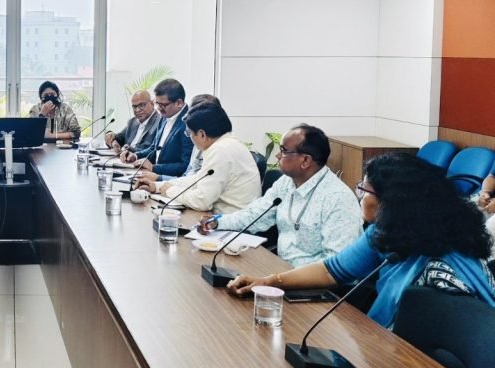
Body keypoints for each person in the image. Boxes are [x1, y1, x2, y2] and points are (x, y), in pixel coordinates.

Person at [227, 153, 495, 328]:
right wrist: (269, 282)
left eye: (364, 190)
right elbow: (331, 270)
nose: (360, 197)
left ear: (391, 202)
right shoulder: (386, 232)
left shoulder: (442, 272)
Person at [197, 124, 362, 266]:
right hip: (281, 270)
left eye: (283, 151)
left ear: (305, 161)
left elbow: (336, 264)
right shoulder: (286, 183)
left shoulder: (338, 199)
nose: (277, 156)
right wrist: (217, 222)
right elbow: (255, 215)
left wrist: (283, 279)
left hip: (314, 285)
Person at [135, 102, 260, 214]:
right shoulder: (228, 143)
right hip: (223, 218)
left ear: (202, 134)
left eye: (189, 133)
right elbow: (197, 180)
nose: (190, 138)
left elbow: (201, 201)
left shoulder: (220, 151)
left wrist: (169, 190)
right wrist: (158, 186)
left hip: (230, 224)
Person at [133, 94, 219, 184]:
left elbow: (193, 182)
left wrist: (159, 178)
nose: (159, 108)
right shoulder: (198, 141)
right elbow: (187, 176)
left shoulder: (216, 150)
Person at [122, 79, 194, 177]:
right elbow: (154, 148)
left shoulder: (189, 123)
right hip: (153, 176)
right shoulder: (163, 117)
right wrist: (135, 156)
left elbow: (186, 166)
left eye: (163, 105)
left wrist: (154, 168)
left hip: (170, 180)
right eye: (157, 103)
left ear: (179, 103)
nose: (159, 108)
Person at [102, 90, 158, 155]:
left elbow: (152, 151)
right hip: (123, 159)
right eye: (134, 107)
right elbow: (120, 137)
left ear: (152, 104)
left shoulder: (160, 122)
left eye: (141, 105)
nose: (137, 110)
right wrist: (113, 141)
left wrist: (130, 150)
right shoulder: (132, 122)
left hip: (141, 160)